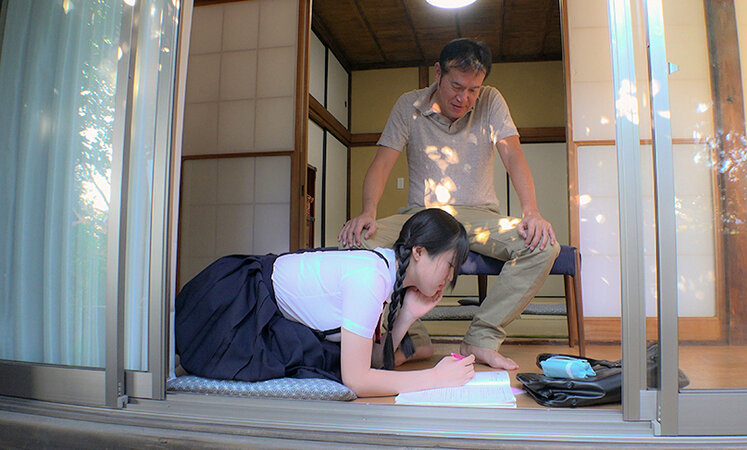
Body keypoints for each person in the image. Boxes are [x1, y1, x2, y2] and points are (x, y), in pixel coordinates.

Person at [338, 38, 561, 371]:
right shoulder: (409, 105)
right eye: (457, 86)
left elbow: (513, 155)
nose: (464, 98)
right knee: (356, 242)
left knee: (543, 246)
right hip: (423, 217)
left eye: (473, 90)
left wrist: (532, 212)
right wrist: (368, 212)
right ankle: (411, 337)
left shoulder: (491, 101)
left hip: (480, 216)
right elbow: (382, 163)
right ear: (438, 72)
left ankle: (481, 337)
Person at [175, 209, 475, 398]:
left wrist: (407, 315)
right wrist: (435, 378)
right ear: (419, 252)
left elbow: (373, 362)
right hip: (233, 309)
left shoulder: (383, 270)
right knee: (326, 362)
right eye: (450, 265)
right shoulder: (370, 278)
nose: (449, 278)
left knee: (331, 357)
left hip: (263, 308)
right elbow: (357, 381)